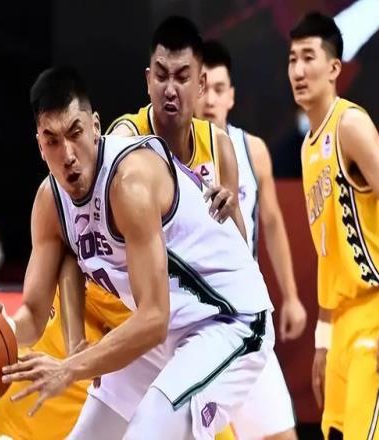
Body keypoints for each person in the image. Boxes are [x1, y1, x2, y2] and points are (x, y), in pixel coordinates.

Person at [0, 63, 275, 440]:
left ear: (95, 126)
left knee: (148, 432)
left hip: (228, 318)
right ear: (40, 146)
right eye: (52, 140)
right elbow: (34, 315)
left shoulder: (129, 182)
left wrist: (70, 367)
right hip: (169, 331)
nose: (68, 153)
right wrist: (0, 329)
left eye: (75, 132)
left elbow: (153, 317)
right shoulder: (49, 202)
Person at [105, 17, 295, 440]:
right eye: (161, 76)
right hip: (155, 322)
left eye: (182, 77)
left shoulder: (221, 146)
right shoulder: (124, 140)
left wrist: (226, 219)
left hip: (224, 321)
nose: (170, 89)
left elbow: (244, 250)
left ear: (201, 84)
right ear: (148, 80)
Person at [288, 11, 379, 439]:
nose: (297, 70)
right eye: (292, 59)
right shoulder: (307, 147)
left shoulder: (350, 125)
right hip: (343, 322)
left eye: (308, 57)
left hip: (377, 309)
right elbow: (328, 252)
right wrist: (323, 338)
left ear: (334, 68)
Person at [195, 40, 306, 439]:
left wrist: (291, 296)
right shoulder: (168, 157)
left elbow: (271, 223)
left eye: (219, 89)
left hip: (246, 316)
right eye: (203, 88)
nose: (210, 99)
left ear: (232, 96)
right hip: (195, 324)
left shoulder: (252, 149)